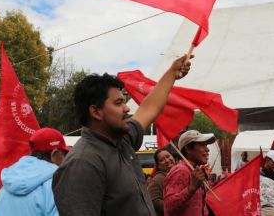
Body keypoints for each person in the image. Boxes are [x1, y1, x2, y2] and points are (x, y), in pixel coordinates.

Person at [52, 54, 192, 216]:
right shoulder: (82, 164)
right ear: (96, 112)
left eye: (124, 102)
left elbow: (148, 109)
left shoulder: (121, 140)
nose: (127, 109)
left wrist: (172, 73)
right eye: (118, 103)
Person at [0, 128, 70, 216]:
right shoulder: (56, 183)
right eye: (64, 154)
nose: (65, 159)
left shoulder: (8, 181)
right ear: (54, 154)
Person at [163, 130, 216, 216]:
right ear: (188, 149)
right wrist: (191, 188)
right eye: (202, 145)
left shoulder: (195, 170)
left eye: (206, 145)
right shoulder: (181, 170)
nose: (207, 149)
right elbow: (169, 206)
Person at [148, 148, 176, 215]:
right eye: (162, 160)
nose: (167, 160)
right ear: (158, 165)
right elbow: (154, 201)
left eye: (168, 156)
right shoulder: (157, 180)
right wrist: (175, 207)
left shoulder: (179, 173)